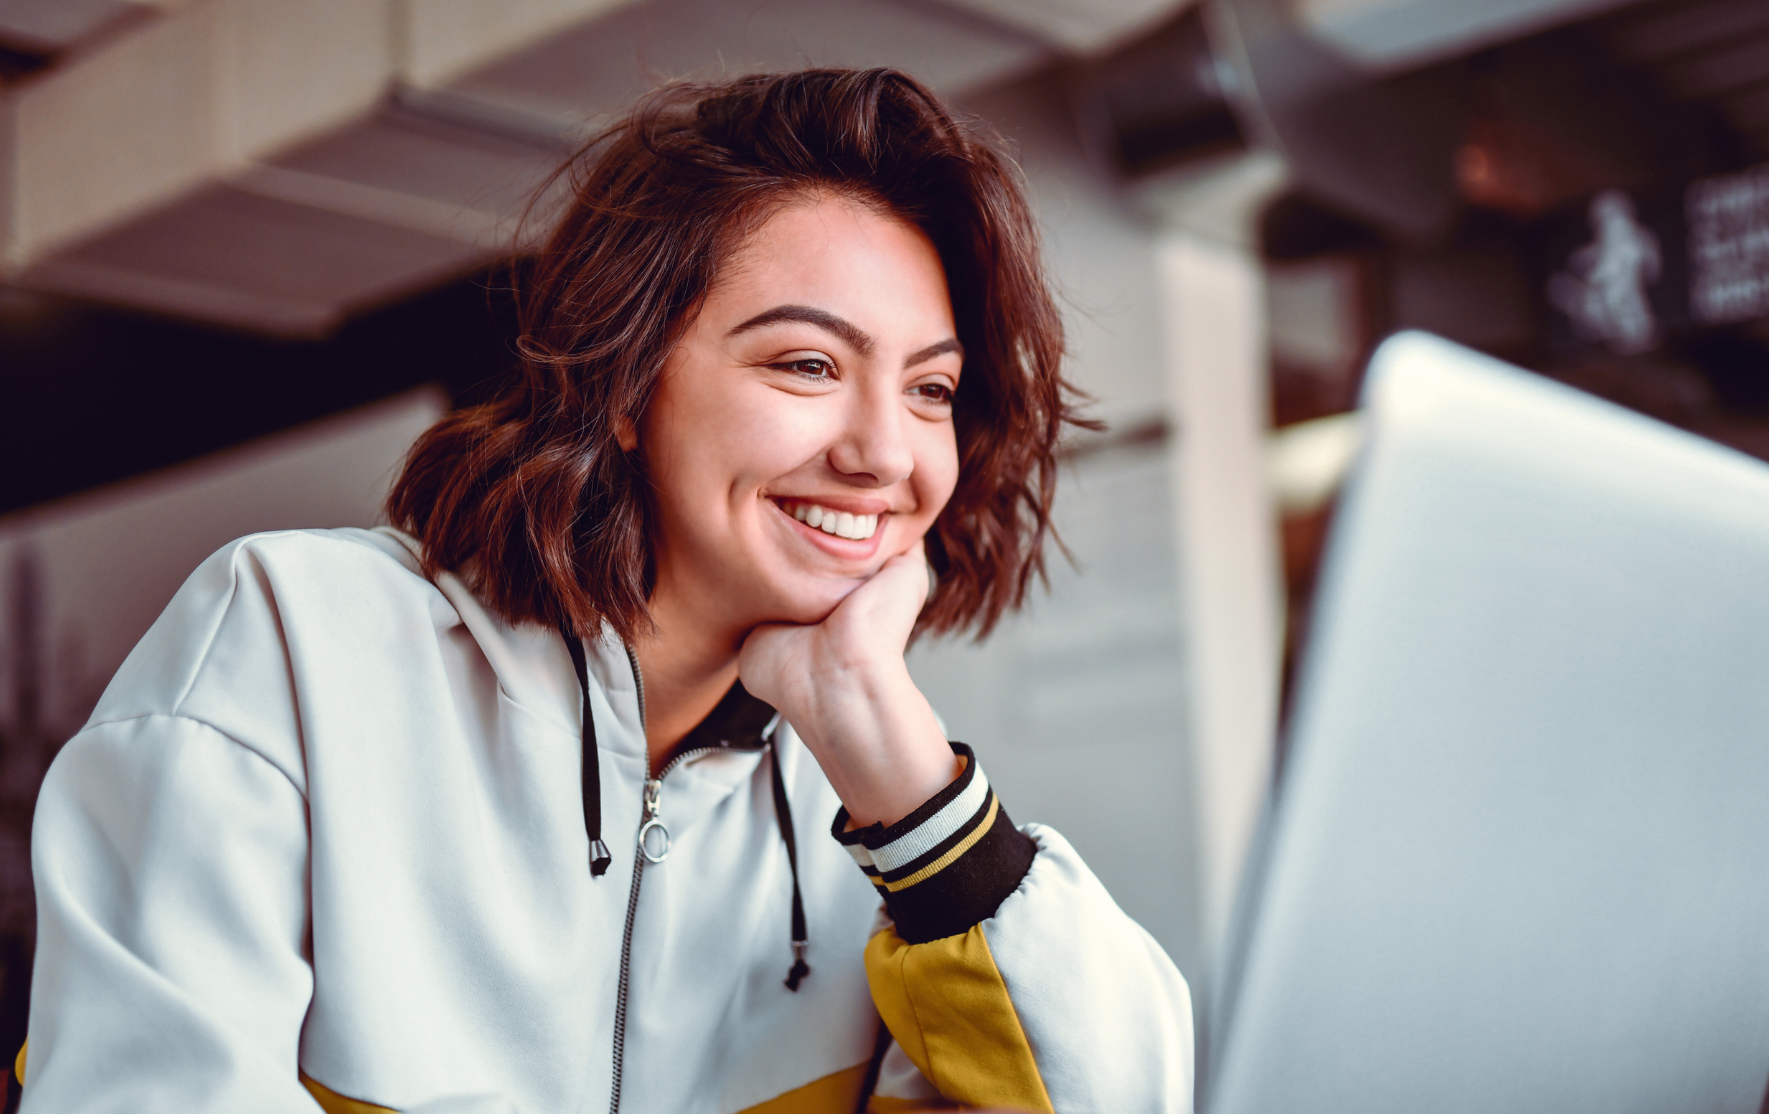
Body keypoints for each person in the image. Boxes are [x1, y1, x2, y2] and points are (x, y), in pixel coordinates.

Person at [14, 69, 1192, 1114]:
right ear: (627, 383)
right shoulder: (292, 639)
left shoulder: (876, 809)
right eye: (808, 364)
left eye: (931, 390)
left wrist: (894, 761)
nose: (886, 451)